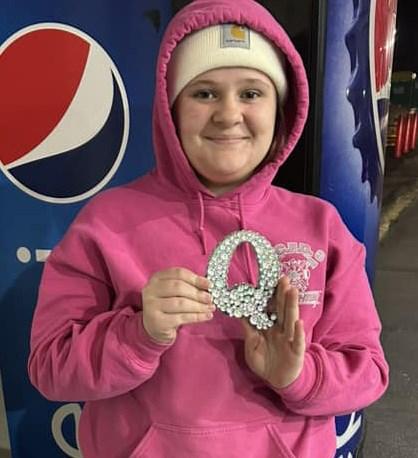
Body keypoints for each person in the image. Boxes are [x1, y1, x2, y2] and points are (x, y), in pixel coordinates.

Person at [28, 0, 389, 457]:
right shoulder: (105, 224)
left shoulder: (322, 228)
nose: (228, 114)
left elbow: (369, 372)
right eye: (204, 93)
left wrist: (299, 375)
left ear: (280, 111)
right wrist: (138, 334)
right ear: (171, 110)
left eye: (251, 93)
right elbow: (50, 369)